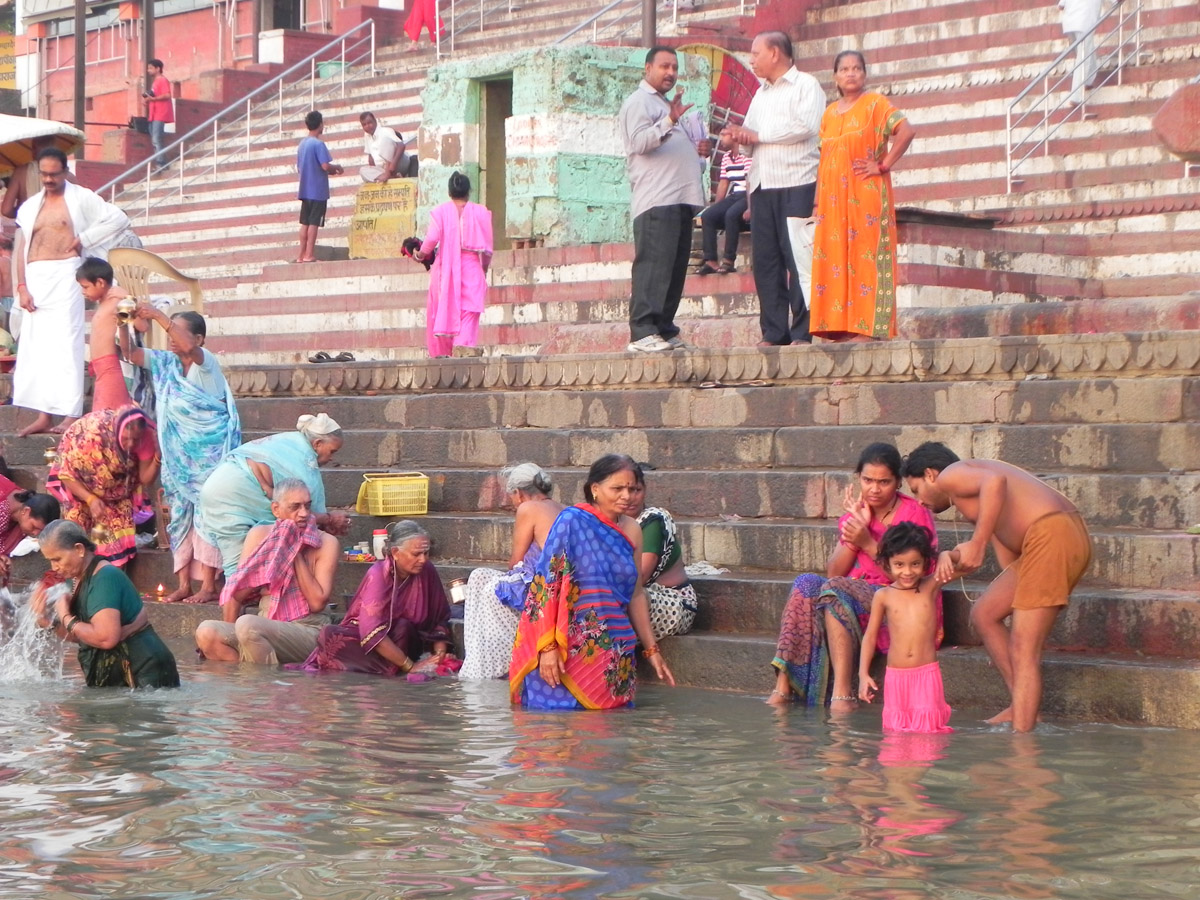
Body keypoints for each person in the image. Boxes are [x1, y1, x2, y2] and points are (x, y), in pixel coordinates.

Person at [902, 441, 1094, 733]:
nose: (919, 501)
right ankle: (1022, 705)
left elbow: (996, 481)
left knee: (1023, 648)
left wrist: (977, 543)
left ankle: (1022, 746)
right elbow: (1006, 561)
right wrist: (951, 558)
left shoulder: (950, 475)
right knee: (985, 613)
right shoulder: (978, 497)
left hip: (1052, 535)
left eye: (915, 490)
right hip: (1050, 539)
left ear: (930, 475)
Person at [767, 442, 941, 710]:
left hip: (898, 600)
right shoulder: (860, 511)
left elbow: (912, 578)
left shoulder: (913, 515)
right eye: (867, 480)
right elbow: (834, 572)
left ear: (897, 483)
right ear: (859, 478)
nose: (874, 488)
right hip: (851, 594)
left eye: (883, 482)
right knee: (806, 584)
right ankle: (783, 685)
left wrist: (868, 541)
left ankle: (842, 694)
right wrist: (856, 530)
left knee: (836, 590)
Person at [509, 454, 676, 709]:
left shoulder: (632, 528)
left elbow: (636, 594)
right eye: (617, 488)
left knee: (607, 736)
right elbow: (546, 586)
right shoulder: (571, 522)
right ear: (595, 489)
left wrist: (652, 651)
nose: (627, 495)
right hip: (565, 652)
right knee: (556, 737)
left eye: (632, 489)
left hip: (614, 651)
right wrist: (547, 647)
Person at [121, 298, 240, 603]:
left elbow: (187, 348)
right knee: (180, 518)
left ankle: (209, 586)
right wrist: (123, 323)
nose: (172, 340)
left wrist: (158, 314)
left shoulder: (206, 362)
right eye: (170, 333)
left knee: (207, 516)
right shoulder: (165, 363)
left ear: (199, 339)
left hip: (208, 459)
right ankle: (185, 583)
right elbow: (130, 354)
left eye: (177, 333)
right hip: (176, 459)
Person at [12, 148, 134, 436]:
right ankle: (44, 415)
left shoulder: (81, 198)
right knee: (37, 347)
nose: (49, 179)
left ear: (66, 171)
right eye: (44, 174)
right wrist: (21, 286)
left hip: (67, 275)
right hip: (35, 279)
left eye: (54, 174)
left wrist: (84, 238)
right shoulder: (30, 206)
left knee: (66, 344)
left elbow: (118, 219)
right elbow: (21, 248)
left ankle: (69, 414)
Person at [722, 31, 824, 347]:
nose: (751, 60)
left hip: (797, 182)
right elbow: (751, 140)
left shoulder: (807, 85)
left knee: (799, 260)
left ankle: (803, 330)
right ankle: (773, 331)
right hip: (764, 185)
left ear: (775, 53)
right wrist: (736, 140)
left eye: (756, 53)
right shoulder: (760, 95)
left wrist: (756, 135)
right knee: (766, 262)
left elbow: (806, 127)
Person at [810, 51, 916, 343]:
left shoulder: (875, 105)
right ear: (835, 77)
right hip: (832, 201)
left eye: (857, 68)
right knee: (836, 257)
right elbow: (824, 160)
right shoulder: (830, 113)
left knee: (865, 256)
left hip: (866, 193)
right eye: (844, 69)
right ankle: (841, 327)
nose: (851, 73)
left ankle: (869, 328)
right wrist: (818, 201)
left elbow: (906, 131)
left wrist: (883, 165)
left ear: (865, 74)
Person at [619, 46, 708, 353]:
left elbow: (677, 152)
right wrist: (669, 120)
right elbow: (639, 142)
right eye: (664, 67)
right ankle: (642, 330)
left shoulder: (667, 105)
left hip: (681, 198)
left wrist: (699, 156)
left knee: (673, 267)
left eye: (674, 67)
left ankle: (664, 329)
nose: (670, 73)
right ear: (648, 68)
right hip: (657, 198)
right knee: (654, 266)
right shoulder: (639, 102)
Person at [195, 480, 340, 665]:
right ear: (276, 509)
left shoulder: (327, 543)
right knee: (207, 632)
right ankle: (250, 680)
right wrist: (267, 559)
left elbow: (317, 603)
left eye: (307, 506)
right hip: (265, 624)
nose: (304, 513)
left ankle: (259, 683)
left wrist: (291, 551)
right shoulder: (259, 535)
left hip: (309, 628)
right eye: (295, 507)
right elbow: (237, 594)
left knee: (248, 625)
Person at [194, 413, 350, 580]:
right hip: (233, 494)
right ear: (317, 444)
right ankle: (238, 594)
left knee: (248, 547)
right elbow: (301, 511)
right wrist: (329, 519)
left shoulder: (290, 441)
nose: (331, 457)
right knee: (238, 566)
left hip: (214, 487)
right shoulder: (305, 459)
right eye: (332, 451)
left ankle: (243, 592)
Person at [297, 520, 454, 676]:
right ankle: (394, 665)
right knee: (329, 633)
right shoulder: (378, 574)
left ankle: (394, 665)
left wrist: (439, 654)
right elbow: (371, 633)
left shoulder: (427, 570)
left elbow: (440, 617)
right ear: (395, 553)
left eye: (426, 553)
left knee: (403, 627)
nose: (423, 559)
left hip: (407, 639)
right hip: (372, 641)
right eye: (416, 554)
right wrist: (410, 667)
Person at [38, 519, 179, 688]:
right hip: (122, 674)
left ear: (79, 549)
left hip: (144, 670)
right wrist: (49, 622)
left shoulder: (104, 578)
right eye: (50, 561)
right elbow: (82, 635)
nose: (54, 567)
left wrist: (66, 617)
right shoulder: (76, 579)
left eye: (57, 559)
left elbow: (106, 638)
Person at [459, 463, 564, 679]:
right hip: (550, 582)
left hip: (543, 587)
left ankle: (493, 670)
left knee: (491, 591)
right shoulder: (562, 507)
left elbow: (515, 562)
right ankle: (474, 662)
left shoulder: (528, 508)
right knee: (479, 576)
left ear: (519, 493)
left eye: (512, 496)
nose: (513, 502)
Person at [858, 522, 954, 733]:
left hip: (926, 676)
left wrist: (947, 555)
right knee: (896, 735)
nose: (908, 572)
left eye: (915, 564)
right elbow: (870, 636)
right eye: (899, 564)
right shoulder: (883, 596)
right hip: (896, 677)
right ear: (887, 564)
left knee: (928, 734)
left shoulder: (930, 585)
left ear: (926, 563)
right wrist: (863, 674)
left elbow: (966, 564)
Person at [45, 404, 159, 568]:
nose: (131, 444)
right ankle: (75, 586)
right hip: (79, 482)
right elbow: (67, 475)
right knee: (75, 538)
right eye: (126, 438)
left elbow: (145, 478)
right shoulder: (92, 438)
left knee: (114, 542)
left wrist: (157, 459)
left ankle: (110, 580)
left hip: (118, 489)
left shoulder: (145, 436)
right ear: (118, 430)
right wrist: (90, 499)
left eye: (136, 439)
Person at [414, 172, 492, 358]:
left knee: (441, 313)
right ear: (469, 192)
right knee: (468, 316)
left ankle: (445, 359)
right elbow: (487, 251)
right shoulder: (481, 212)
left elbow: (431, 239)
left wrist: (420, 254)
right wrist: (484, 269)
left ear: (449, 192)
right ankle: (462, 354)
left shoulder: (441, 212)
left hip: (444, 273)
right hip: (472, 269)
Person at [629, 466, 698, 639]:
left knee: (624, 597)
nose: (628, 497)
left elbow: (639, 579)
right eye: (618, 489)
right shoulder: (607, 521)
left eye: (636, 490)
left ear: (645, 490)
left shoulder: (653, 520)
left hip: (674, 603)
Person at [694, 132, 750, 276]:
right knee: (708, 216)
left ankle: (729, 260)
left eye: (725, 134)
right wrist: (717, 208)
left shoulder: (747, 155)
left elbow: (751, 181)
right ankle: (710, 260)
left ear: (734, 137)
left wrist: (750, 207)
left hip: (748, 194)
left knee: (731, 215)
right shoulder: (726, 157)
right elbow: (723, 184)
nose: (721, 138)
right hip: (735, 195)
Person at [295, 110, 344, 264]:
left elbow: (299, 167)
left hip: (304, 189)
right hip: (317, 190)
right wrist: (336, 168)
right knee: (314, 222)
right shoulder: (318, 144)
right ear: (320, 124)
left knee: (305, 223)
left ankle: (301, 255)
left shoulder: (302, 144)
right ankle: (309, 254)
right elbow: (324, 165)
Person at [0, 473, 59, 583]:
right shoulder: (3, 510)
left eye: (40, 531)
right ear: (26, 511)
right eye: (34, 527)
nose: (35, 533)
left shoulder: (25, 499)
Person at [1060, 0, 1103, 102]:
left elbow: (1061, 6)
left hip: (1069, 24)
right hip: (1084, 22)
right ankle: (1076, 96)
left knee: (1085, 51)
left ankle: (1088, 80)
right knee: (1083, 58)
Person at [358, 112, 416, 182]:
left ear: (375, 121)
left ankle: (388, 176)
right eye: (364, 125)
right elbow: (370, 158)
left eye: (370, 123)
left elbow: (401, 145)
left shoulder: (385, 131)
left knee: (386, 141)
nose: (367, 126)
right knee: (362, 171)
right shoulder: (367, 136)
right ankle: (393, 177)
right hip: (384, 169)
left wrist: (393, 165)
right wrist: (374, 170)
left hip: (398, 163)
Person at [143, 59, 175, 172]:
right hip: (154, 113)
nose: (148, 71)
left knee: (156, 139)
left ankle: (161, 163)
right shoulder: (156, 81)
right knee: (155, 139)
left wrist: (153, 99)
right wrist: (148, 100)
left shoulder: (162, 80)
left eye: (151, 68)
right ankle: (162, 163)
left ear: (158, 68)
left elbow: (167, 95)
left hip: (160, 114)